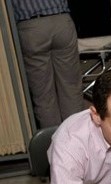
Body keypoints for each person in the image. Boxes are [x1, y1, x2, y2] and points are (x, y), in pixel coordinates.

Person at [10, 0, 83, 128]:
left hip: (31, 26)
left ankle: (53, 142)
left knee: (44, 96)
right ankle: (77, 139)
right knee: (71, 87)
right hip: (61, 20)